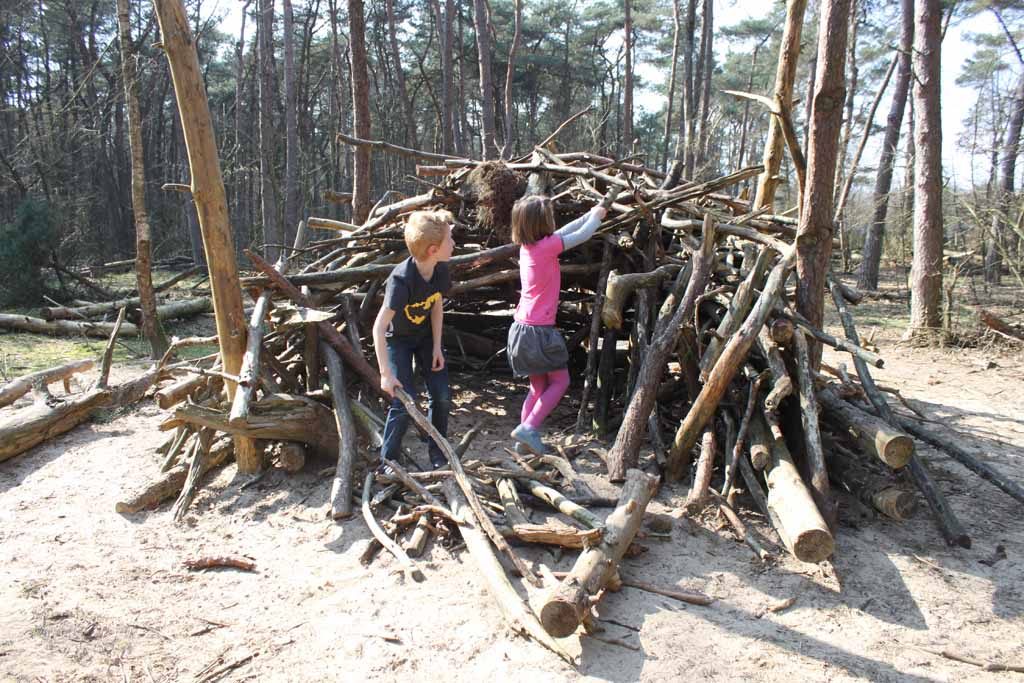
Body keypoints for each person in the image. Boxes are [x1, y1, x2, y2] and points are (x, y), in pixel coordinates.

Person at [507, 187, 619, 455]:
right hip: (539, 333)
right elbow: (581, 235)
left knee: (537, 387)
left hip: (521, 330)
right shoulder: (547, 248)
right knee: (561, 382)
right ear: (541, 223)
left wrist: (591, 213)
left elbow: (567, 230)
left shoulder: (529, 247)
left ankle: (523, 438)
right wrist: (598, 218)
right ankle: (529, 428)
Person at [372, 209, 456, 470]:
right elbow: (379, 326)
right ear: (433, 249)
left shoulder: (440, 271)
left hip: (425, 337)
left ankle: (438, 452)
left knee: (441, 395)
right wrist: (385, 373)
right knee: (403, 399)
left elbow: (436, 304)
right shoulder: (400, 280)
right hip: (398, 340)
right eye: (450, 240)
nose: (454, 244)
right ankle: (389, 460)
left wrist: (437, 346)